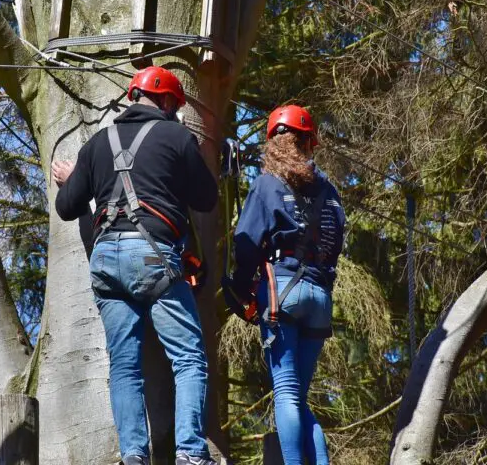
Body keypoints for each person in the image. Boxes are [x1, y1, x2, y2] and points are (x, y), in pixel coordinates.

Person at [52, 66, 219, 465]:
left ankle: (133, 456)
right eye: (174, 106)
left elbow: (67, 206)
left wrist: (78, 178)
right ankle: (191, 453)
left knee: (124, 365)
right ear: (165, 101)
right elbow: (207, 198)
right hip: (152, 255)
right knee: (190, 359)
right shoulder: (177, 136)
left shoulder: (97, 144)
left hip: (106, 258)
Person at [223, 105, 346, 465]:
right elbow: (336, 241)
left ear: (274, 142)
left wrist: (243, 289)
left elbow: (245, 241)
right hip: (319, 296)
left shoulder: (267, 185)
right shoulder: (331, 193)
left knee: (287, 394)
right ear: (309, 142)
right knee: (298, 397)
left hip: (282, 292)